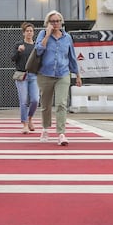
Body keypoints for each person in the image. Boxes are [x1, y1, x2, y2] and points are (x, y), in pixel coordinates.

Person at [34, 10, 82, 146]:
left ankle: (61, 133)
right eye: (52, 21)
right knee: (46, 105)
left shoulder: (67, 37)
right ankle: (45, 128)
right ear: (47, 23)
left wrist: (77, 75)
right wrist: (47, 35)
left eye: (57, 21)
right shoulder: (43, 34)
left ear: (61, 22)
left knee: (61, 103)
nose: (55, 24)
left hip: (63, 73)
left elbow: (72, 57)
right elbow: (38, 50)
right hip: (45, 74)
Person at [11, 22, 39, 134]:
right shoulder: (19, 44)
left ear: (33, 32)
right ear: (23, 33)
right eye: (27, 31)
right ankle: (25, 124)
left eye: (31, 31)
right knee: (23, 101)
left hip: (34, 75)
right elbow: (12, 58)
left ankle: (30, 118)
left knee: (35, 100)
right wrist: (18, 51)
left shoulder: (36, 45)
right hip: (22, 75)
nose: (29, 32)